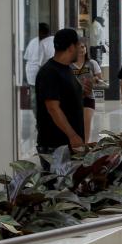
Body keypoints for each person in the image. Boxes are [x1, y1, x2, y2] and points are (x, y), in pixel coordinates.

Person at [35, 28, 85, 164]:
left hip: (68, 144)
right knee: (56, 184)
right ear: (70, 47)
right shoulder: (50, 72)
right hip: (56, 145)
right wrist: (73, 135)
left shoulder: (66, 69)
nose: (80, 50)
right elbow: (53, 108)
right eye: (78, 46)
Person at [71, 41, 104, 143]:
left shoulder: (92, 63)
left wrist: (95, 80)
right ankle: (76, 146)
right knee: (74, 123)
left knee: (86, 122)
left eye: (83, 47)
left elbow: (100, 79)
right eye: (78, 47)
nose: (81, 49)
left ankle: (85, 145)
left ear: (86, 49)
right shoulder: (69, 64)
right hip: (72, 99)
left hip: (88, 97)